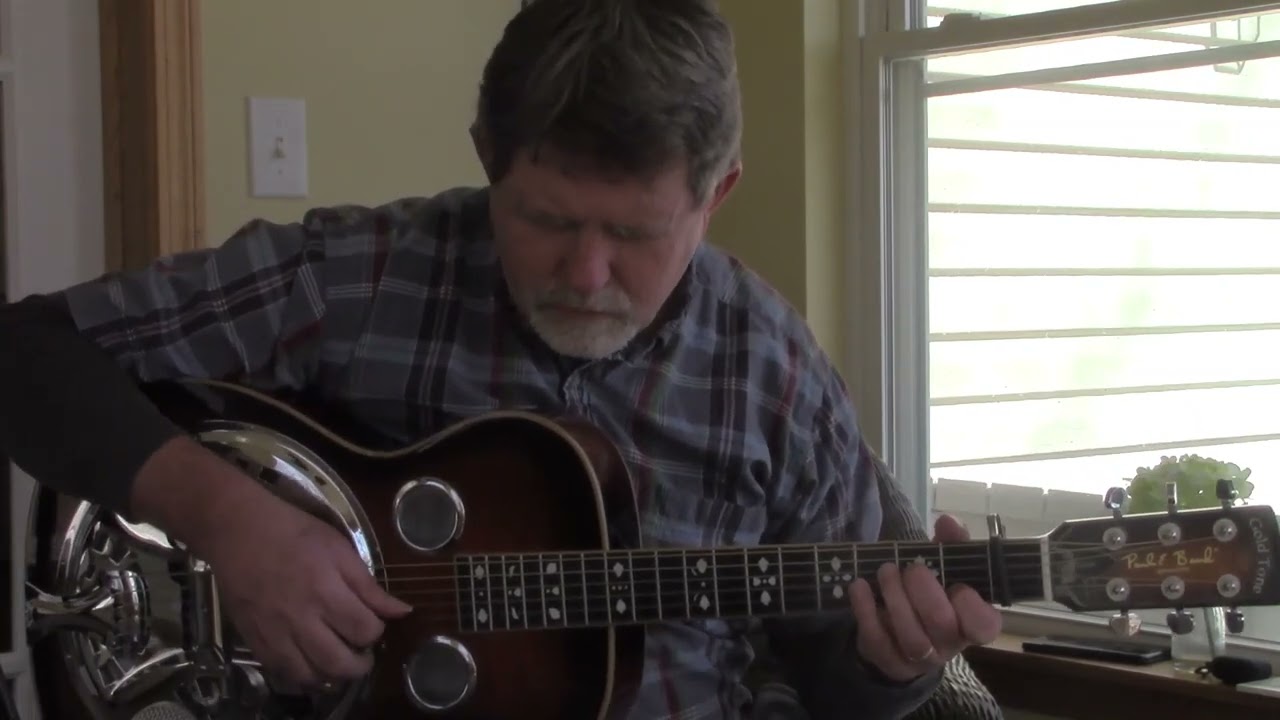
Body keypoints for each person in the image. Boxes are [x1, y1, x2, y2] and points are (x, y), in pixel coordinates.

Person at [0, 0, 1001, 718]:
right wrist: (231, 521)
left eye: (635, 233)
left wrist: (893, 663)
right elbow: (24, 353)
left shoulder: (772, 370)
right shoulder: (356, 275)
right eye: (546, 219)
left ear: (716, 194)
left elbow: (838, 677)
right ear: (486, 153)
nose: (587, 273)